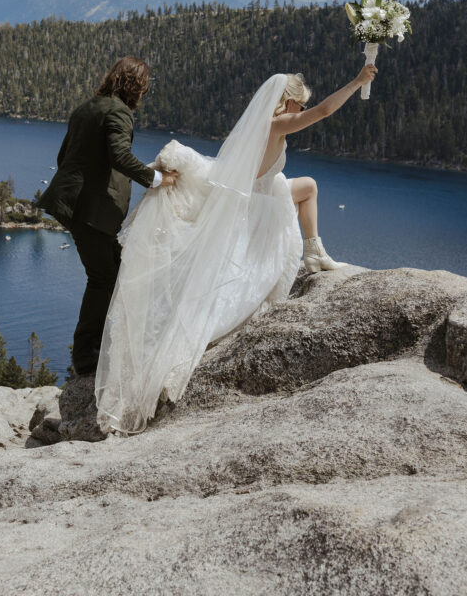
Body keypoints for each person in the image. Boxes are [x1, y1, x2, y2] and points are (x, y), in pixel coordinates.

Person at [95, 63, 377, 434]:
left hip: (258, 196)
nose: (299, 111)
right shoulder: (277, 125)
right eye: (297, 105)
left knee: (306, 186)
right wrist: (358, 81)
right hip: (259, 206)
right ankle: (314, 252)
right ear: (287, 103)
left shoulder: (258, 127)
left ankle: (314, 251)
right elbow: (323, 111)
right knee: (305, 188)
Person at [38, 56, 178, 375]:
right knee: (103, 277)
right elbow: (119, 156)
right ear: (136, 86)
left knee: (116, 271)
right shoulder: (119, 112)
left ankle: (104, 345)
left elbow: (66, 156)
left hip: (73, 204)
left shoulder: (89, 107)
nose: (142, 94)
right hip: (87, 209)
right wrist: (157, 179)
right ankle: (87, 356)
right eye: (143, 87)